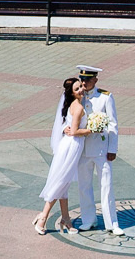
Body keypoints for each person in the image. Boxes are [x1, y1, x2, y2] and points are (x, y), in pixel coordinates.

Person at [33, 77, 87, 234]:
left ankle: (66, 218)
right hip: (72, 146)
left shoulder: (72, 104)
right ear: (71, 93)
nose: (81, 90)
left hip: (69, 145)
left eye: (81, 87)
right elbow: (76, 131)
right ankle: (43, 216)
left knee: (64, 182)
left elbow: (70, 126)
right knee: (62, 181)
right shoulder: (77, 108)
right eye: (77, 89)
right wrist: (92, 130)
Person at [73, 64, 122, 232]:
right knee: (84, 186)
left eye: (87, 80)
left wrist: (112, 149)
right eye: (82, 79)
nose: (84, 83)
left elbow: (113, 125)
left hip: (101, 149)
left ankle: (112, 223)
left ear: (95, 80)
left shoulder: (105, 97)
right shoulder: (78, 96)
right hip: (83, 149)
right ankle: (88, 219)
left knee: (106, 186)